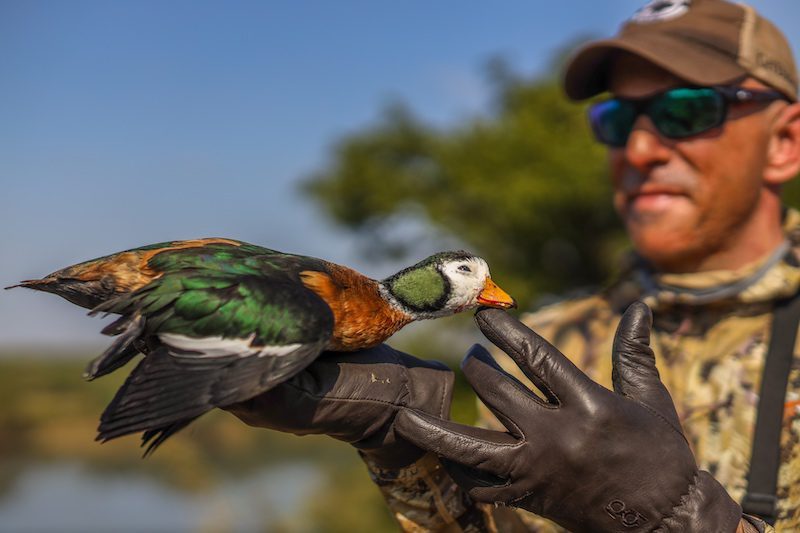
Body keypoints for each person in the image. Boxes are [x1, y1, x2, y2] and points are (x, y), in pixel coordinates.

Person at [225, 0, 800, 531]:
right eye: (619, 121)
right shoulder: (549, 344)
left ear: (785, 143)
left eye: (686, 110)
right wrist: (401, 449)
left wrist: (681, 518)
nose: (640, 150)